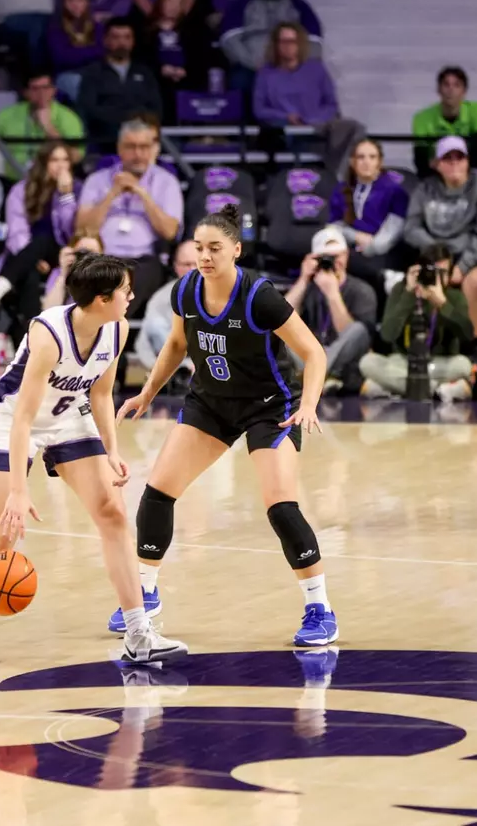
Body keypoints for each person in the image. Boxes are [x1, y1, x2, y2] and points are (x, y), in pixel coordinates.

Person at [116, 204, 336, 646]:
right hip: (211, 403)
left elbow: (314, 352)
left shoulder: (259, 295)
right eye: (199, 248)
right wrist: (148, 392)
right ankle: (146, 593)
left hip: (269, 406)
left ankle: (320, 607)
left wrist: (309, 403)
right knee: (157, 493)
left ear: (235, 250)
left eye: (215, 248)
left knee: (280, 505)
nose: (205, 256)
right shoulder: (185, 291)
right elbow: (177, 344)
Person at [0, 251, 186, 666]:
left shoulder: (115, 330)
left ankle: (138, 633)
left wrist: (111, 450)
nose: (131, 297)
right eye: (125, 291)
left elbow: (99, 393)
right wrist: (19, 492)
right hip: (15, 418)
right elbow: (24, 417)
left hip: (67, 417)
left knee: (113, 513)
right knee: (4, 532)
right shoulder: (48, 334)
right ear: (100, 298)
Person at [402, 135, 477, 352]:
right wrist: (437, 255)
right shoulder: (425, 189)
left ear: (468, 161)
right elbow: (411, 228)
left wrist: (462, 266)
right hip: (435, 253)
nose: (454, 163)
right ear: (436, 164)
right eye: (447, 158)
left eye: (459, 157)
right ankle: (426, 346)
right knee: (417, 278)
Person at [75, 120, 183, 316]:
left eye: (144, 147)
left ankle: (106, 329)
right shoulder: (97, 180)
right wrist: (112, 194)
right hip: (101, 258)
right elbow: (83, 229)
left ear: (153, 149)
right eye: (131, 147)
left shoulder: (166, 183)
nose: (138, 154)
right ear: (119, 149)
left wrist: (141, 193)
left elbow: (170, 232)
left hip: (143, 261)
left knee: (130, 279)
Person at [0, 141, 81, 320]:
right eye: (54, 160)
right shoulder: (21, 190)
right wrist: (34, 259)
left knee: (43, 240)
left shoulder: (77, 189)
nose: (61, 166)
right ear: (43, 163)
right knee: (29, 273)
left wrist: (66, 196)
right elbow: (16, 232)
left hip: (63, 253)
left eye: (65, 160)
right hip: (28, 253)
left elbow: (72, 232)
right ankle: (32, 335)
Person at [360, 243, 476, 399]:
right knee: (367, 362)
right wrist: (408, 295)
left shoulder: (455, 297)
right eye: (430, 271)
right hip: (403, 362)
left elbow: (467, 334)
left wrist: (443, 305)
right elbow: (387, 334)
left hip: (440, 363)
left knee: (463, 365)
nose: (436, 277)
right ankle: (435, 390)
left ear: (450, 275)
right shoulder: (401, 290)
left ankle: (393, 387)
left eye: (442, 272)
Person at [284, 226, 378, 392]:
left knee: (359, 329)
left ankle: (316, 375)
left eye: (337, 256)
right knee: (278, 328)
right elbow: (281, 315)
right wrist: (303, 279)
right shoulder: (310, 287)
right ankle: (320, 376)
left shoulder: (362, 290)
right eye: (327, 258)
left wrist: (333, 294)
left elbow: (353, 337)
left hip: (345, 363)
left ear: (346, 255)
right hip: (309, 357)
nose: (334, 263)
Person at [217, 0, 324, 90]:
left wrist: (297, 65)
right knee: (240, 81)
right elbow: (229, 38)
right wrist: (254, 64)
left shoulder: (299, 5)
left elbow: (315, 40)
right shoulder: (241, 3)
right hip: (252, 66)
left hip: (291, 66)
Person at [329, 137, 409, 290]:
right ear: (352, 162)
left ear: (380, 162)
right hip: (348, 250)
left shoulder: (395, 191)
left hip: (382, 254)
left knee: (342, 260)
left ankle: (382, 276)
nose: (366, 162)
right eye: (361, 157)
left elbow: (384, 242)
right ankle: (380, 275)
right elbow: (332, 227)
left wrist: (366, 247)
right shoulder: (341, 189)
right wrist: (356, 237)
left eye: (372, 157)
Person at [74, 19, 162, 155]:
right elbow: (87, 108)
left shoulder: (145, 73)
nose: (122, 43)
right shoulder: (93, 73)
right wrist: (123, 120)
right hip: (104, 141)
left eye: (127, 37)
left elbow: (155, 108)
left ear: (133, 41)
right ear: (105, 40)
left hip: (140, 140)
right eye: (116, 37)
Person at [0, 74, 85, 174]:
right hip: (16, 183)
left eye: (45, 88)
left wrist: (49, 128)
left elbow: (76, 157)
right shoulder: (8, 115)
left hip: (53, 182)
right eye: (35, 89)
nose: (41, 94)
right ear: (26, 93)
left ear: (53, 90)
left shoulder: (68, 118)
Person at [254, 23, 339, 127]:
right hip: (282, 129)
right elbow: (259, 110)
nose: (288, 46)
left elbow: (331, 105)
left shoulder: (317, 69)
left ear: (300, 44)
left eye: (292, 42)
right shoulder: (265, 73)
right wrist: (285, 117)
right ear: (275, 45)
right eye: (283, 42)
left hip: (316, 129)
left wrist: (313, 119)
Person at [134, 238, 197, 374]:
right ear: (176, 266)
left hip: (212, 362)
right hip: (172, 364)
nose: (192, 270)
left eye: (196, 264)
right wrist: (154, 367)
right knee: (155, 325)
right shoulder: (161, 297)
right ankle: (180, 371)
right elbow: (144, 341)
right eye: (186, 264)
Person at [410, 66, 477, 172]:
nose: (451, 90)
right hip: (436, 172)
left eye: (457, 85)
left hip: (470, 170)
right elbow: (420, 158)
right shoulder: (421, 117)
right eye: (446, 85)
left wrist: (456, 163)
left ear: (464, 91)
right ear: (438, 89)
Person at [47, 0, 103, 99]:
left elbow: (104, 52)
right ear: (63, 3)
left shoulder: (97, 27)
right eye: (70, 0)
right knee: (78, 84)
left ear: (86, 2)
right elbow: (61, 58)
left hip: (94, 73)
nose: (75, 5)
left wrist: (76, 51)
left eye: (80, 0)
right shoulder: (56, 29)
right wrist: (91, 52)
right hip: (68, 74)